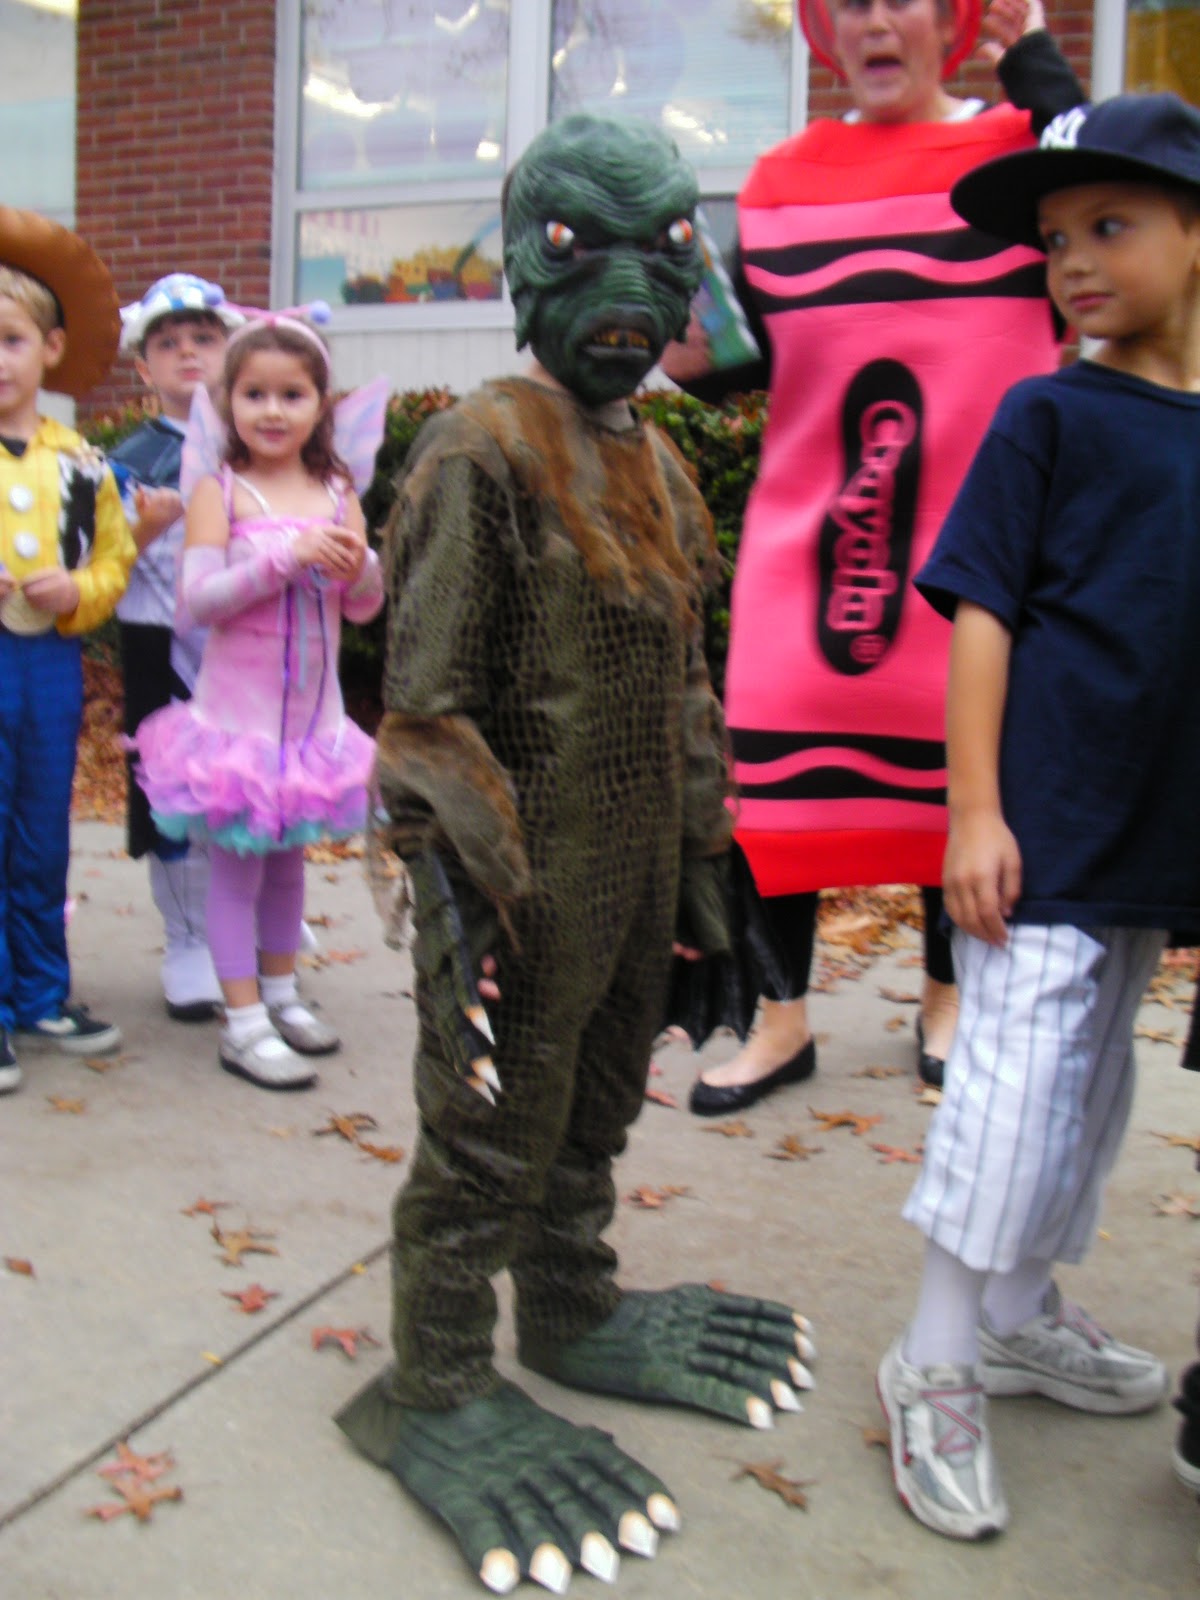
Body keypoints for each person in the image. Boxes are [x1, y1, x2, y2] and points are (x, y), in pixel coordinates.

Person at [335, 115, 814, 1596]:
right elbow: (422, 708)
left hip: (621, 870)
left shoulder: (660, 470)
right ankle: (436, 1375)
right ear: (531, 267)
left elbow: (681, 684)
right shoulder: (477, 450)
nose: (627, 292)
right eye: (576, 250)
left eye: (661, 254)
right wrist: (467, 905)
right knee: (491, 1133)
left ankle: (571, 1300)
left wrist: (704, 864)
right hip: (513, 882)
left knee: (596, 1106)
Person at [875, 91, 1200, 1541]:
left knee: (1090, 1093)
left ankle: (1013, 1313)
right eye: (1055, 240)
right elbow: (982, 614)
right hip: (1047, 819)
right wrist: (974, 813)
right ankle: (933, 1357)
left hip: (1160, 821)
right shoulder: (1048, 411)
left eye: (1108, 226)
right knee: (1010, 1089)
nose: (1069, 260)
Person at [670, 0, 1083, 1114]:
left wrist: (1036, 61)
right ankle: (779, 1019)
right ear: (822, 31)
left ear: (955, 18)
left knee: (959, 776)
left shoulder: (1016, 151)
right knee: (773, 786)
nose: (873, 20)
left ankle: (945, 1000)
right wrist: (688, 350)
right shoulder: (777, 180)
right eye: (846, 1)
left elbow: (1113, 185)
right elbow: (759, 356)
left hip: (976, 546)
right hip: (811, 541)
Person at [129, 311, 384, 1091]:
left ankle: (280, 995)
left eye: (293, 394)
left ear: (321, 405)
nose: (273, 411)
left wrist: (360, 564)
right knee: (237, 873)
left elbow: (365, 607)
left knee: (288, 871)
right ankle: (241, 1023)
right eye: (254, 394)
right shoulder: (219, 491)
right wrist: (282, 560)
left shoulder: (339, 490)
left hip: (311, 731)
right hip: (235, 733)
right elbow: (196, 603)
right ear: (228, 402)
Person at [0, 207, 137, 1095]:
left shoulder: (84, 464)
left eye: (9, 339)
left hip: (46, 669)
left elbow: (116, 559)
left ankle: (41, 992)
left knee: (41, 835)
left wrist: (77, 593)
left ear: (50, 349)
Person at [110, 273, 243, 1022]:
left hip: (246, 648)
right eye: (168, 343)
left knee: (248, 788)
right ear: (143, 366)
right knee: (174, 797)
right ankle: (188, 939)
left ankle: (249, 918)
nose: (188, 354)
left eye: (203, 339)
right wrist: (139, 532)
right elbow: (91, 568)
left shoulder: (259, 442)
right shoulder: (128, 459)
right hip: (161, 646)